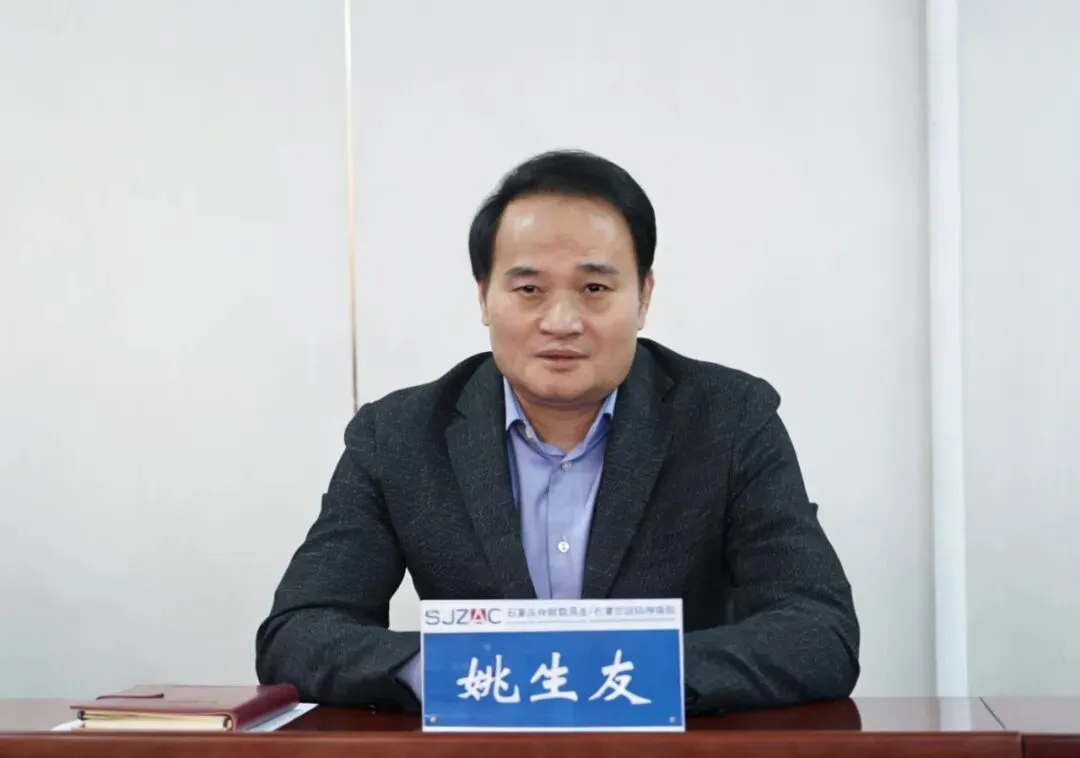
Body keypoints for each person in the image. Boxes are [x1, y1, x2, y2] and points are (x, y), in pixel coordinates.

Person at [255, 149, 859, 715]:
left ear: (643, 297)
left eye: (595, 288)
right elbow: (299, 632)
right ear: (484, 297)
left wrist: (617, 676)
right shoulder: (400, 436)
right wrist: (462, 673)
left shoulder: (729, 418)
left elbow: (819, 631)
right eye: (529, 289)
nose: (562, 321)